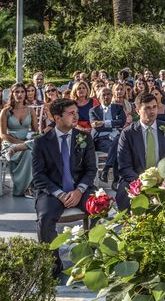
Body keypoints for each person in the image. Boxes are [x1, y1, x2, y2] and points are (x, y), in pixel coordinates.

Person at [32, 98, 97, 275]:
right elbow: (38, 175)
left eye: (76, 112)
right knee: (44, 218)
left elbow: (91, 170)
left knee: (101, 207)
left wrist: (79, 190)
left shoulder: (84, 137)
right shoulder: (42, 142)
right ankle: (53, 263)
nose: (76, 116)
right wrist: (60, 194)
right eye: (71, 113)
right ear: (57, 118)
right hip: (52, 191)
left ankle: (92, 257)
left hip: (79, 189)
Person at [116, 93, 165, 210]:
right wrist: (143, 182)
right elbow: (124, 166)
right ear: (137, 110)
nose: (152, 111)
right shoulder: (128, 133)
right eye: (147, 108)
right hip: (136, 178)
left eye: (154, 107)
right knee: (123, 196)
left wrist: (164, 179)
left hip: (163, 177)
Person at [0, 83, 38, 197]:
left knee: (33, 147)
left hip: (27, 141)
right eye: (16, 92)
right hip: (10, 142)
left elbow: (36, 132)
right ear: (12, 94)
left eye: (22, 92)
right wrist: (21, 143)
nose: (20, 94)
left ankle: (30, 186)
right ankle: (25, 188)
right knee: (28, 153)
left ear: (25, 94)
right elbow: (2, 134)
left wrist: (31, 139)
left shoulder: (30, 111)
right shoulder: (5, 112)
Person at [90, 87, 126, 185]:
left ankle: (106, 169)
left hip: (116, 138)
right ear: (98, 97)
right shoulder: (94, 110)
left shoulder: (118, 108)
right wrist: (113, 124)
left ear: (112, 96)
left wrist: (103, 123)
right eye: (103, 95)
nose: (106, 97)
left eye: (109, 94)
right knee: (118, 147)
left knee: (117, 144)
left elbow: (122, 122)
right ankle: (116, 180)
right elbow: (96, 127)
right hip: (101, 139)